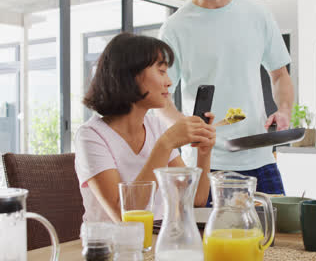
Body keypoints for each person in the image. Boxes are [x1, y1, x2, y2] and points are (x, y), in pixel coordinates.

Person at [158, 0, 294, 200]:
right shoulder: (174, 27)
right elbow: (161, 97)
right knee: (206, 232)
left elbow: (280, 74)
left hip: (259, 157)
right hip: (203, 163)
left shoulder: (258, 14)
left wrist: (284, 109)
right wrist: (184, 127)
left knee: (278, 230)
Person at [74, 33, 216, 222]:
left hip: (154, 241)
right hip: (109, 246)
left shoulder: (156, 126)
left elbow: (195, 200)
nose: (169, 82)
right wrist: (165, 144)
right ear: (130, 76)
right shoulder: (91, 136)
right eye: (161, 71)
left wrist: (204, 153)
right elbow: (123, 215)